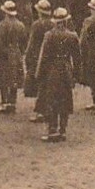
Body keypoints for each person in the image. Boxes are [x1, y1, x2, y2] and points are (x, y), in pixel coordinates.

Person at [36, 7, 79, 142]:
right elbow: (77, 58)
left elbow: (44, 57)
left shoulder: (49, 35)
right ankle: (63, 129)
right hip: (66, 69)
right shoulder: (72, 36)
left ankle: (52, 129)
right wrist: (76, 75)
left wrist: (39, 74)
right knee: (65, 99)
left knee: (52, 99)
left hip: (52, 70)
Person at [0, 0, 29, 114]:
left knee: (3, 79)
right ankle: (12, 102)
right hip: (16, 53)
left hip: (4, 54)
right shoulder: (20, 25)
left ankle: (5, 102)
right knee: (14, 78)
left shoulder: (3, 25)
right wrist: (20, 52)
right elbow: (24, 42)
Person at [23, 0, 54, 123]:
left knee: (41, 84)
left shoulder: (37, 25)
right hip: (50, 57)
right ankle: (48, 108)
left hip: (38, 56)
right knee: (47, 84)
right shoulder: (53, 24)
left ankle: (41, 111)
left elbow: (32, 43)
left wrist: (28, 58)